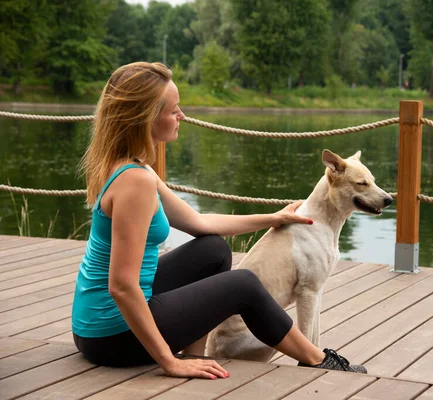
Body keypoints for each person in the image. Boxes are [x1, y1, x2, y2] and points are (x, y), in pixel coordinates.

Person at [71, 61, 367, 379]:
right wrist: (169, 363)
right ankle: (316, 358)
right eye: (173, 110)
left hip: (97, 324)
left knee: (212, 251)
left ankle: (193, 352)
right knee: (243, 285)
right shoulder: (136, 182)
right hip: (113, 337)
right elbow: (122, 286)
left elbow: (200, 223)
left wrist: (273, 218)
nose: (182, 116)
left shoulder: (133, 167)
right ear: (146, 117)